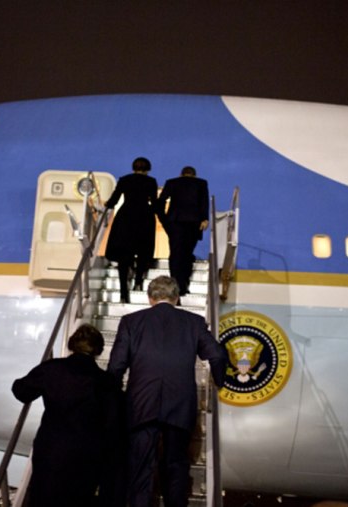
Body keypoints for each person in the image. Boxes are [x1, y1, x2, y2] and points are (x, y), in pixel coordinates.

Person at [107, 275, 227, 507]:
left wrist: (114, 399)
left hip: (141, 404)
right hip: (180, 405)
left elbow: (116, 366)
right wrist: (220, 381)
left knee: (141, 467)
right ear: (177, 298)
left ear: (150, 298)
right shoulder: (194, 322)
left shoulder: (131, 321)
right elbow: (218, 354)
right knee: (176, 465)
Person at [12, 323, 123, 507]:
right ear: (98, 349)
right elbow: (112, 425)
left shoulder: (52, 369)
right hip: (87, 457)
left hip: (51, 451)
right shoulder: (106, 381)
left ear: (73, 344)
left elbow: (21, 391)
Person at [104, 156, 158, 303]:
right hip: (144, 217)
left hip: (126, 217)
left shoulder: (125, 180)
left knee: (124, 256)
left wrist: (106, 204)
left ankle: (123, 292)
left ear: (133, 167)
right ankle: (138, 281)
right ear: (147, 169)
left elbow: (113, 200)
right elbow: (154, 203)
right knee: (142, 251)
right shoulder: (151, 182)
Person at [156, 166, 209, 296]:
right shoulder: (201, 183)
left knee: (175, 253)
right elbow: (204, 202)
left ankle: (175, 284)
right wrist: (205, 219)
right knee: (187, 253)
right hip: (194, 223)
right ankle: (184, 284)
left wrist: (164, 219)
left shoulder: (172, 182)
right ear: (194, 175)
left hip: (175, 221)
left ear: (181, 174)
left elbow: (161, 201)